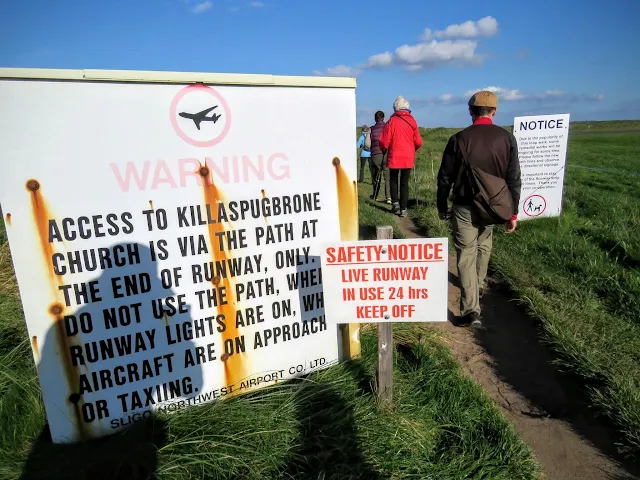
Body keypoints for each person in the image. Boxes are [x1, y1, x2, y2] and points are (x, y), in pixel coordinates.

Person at [436, 90, 521, 328]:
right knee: (484, 245)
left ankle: (470, 309)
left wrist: (442, 205)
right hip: (495, 206)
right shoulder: (507, 138)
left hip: (464, 205)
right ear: (494, 111)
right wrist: (512, 214)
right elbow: (514, 178)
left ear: (470, 111)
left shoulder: (458, 139)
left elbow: (444, 178)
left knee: (466, 254)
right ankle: (480, 284)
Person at [379, 96, 422, 217]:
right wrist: (413, 150)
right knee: (404, 182)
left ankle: (395, 203)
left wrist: (383, 149)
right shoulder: (412, 121)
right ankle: (404, 209)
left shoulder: (391, 121)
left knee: (393, 179)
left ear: (395, 108)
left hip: (394, 155)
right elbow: (418, 141)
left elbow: (384, 141)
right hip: (408, 156)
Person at [368, 110, 391, 203]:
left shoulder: (371, 129)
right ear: (383, 118)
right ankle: (389, 197)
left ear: (375, 119)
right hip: (386, 153)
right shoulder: (387, 127)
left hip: (375, 154)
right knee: (387, 176)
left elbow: (367, 144)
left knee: (376, 176)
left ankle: (375, 195)